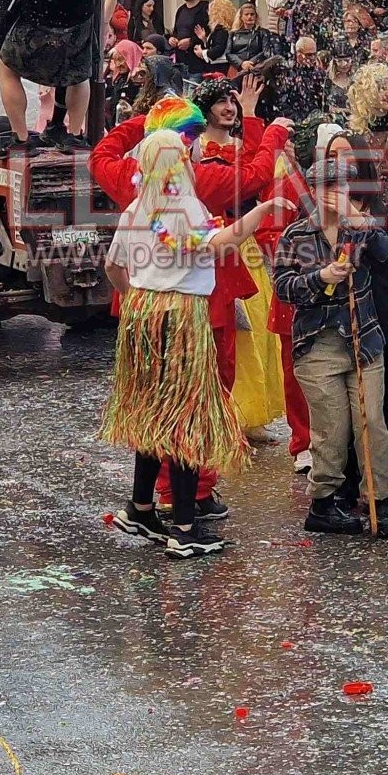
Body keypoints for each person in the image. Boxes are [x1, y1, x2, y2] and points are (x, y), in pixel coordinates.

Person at [108, 130, 289, 556]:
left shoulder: (138, 208)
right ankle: (185, 527)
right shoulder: (184, 207)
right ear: (179, 164)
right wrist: (263, 208)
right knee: (187, 417)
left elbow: (113, 266)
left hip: (143, 315)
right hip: (181, 316)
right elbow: (219, 242)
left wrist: (136, 296)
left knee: (151, 413)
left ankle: (140, 508)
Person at [274, 143, 388, 539]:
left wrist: (363, 222)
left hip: (364, 338)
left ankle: (378, 499)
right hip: (318, 343)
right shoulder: (298, 234)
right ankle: (323, 501)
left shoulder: (360, 227)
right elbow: (283, 288)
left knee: (372, 421)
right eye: (330, 187)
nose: (339, 194)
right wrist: (320, 279)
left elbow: (387, 254)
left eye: (344, 187)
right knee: (331, 427)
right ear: (314, 192)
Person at [0, 0, 106, 149]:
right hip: (77, 14)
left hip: (38, 15)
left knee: (7, 68)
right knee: (80, 74)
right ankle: (74, 134)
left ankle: (21, 137)